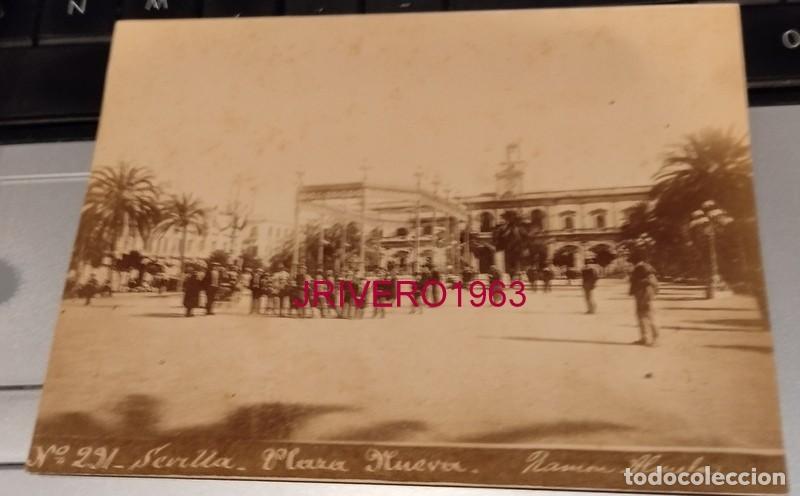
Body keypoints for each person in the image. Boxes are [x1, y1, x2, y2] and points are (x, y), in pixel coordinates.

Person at [629, 258, 659, 346]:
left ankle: (654, 338)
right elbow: (655, 284)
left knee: (648, 316)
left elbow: (635, 282)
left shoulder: (642, 269)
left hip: (643, 294)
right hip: (643, 294)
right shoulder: (647, 270)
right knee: (642, 316)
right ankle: (645, 338)